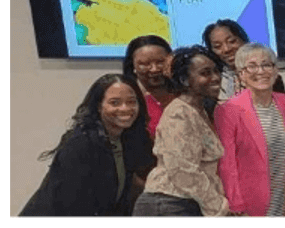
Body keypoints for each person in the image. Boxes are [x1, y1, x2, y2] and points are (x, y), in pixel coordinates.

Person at [21, 74, 154, 216]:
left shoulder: (130, 139)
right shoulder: (80, 143)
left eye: (131, 102)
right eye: (115, 103)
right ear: (98, 106)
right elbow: (73, 203)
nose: (125, 109)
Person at [133, 46, 235, 216]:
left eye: (217, 71)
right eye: (205, 73)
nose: (216, 78)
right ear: (185, 80)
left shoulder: (198, 111)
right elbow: (183, 171)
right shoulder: (178, 113)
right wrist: (219, 208)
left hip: (185, 203)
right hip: (168, 204)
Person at [215, 43, 285, 216]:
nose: (260, 71)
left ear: (275, 70)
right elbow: (227, 164)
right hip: (249, 202)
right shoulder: (228, 110)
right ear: (241, 75)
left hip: (283, 195)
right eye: (251, 66)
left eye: (266, 65)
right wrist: (236, 205)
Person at [202, 19, 285, 102]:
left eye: (232, 41)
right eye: (217, 46)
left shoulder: (269, 77)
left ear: (243, 40)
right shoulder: (212, 83)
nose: (226, 49)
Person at [123, 35, 174, 137]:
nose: (154, 69)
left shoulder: (187, 93)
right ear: (133, 66)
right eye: (145, 64)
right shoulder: (126, 100)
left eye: (160, 62)